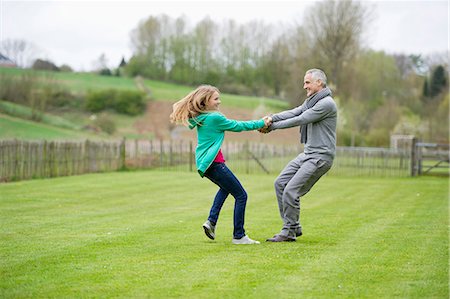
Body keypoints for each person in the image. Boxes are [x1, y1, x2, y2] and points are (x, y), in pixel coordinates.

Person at [170, 84, 271, 245]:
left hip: (207, 165)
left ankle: (211, 221)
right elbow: (238, 126)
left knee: (226, 188)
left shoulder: (202, 118)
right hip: (215, 164)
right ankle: (239, 236)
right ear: (206, 101)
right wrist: (261, 123)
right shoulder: (214, 118)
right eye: (216, 99)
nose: (219, 102)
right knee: (241, 195)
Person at [260, 68, 337, 242]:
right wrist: (271, 118)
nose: (304, 86)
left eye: (307, 82)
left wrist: (272, 127)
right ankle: (294, 226)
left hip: (320, 157)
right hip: (308, 153)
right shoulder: (311, 101)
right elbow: (296, 112)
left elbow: (301, 119)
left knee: (291, 191)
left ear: (319, 82)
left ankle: (288, 231)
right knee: (280, 183)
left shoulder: (326, 104)